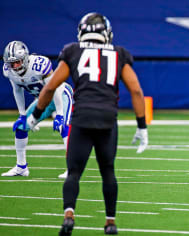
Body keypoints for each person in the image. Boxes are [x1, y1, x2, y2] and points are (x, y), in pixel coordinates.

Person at [26, 13, 149, 235]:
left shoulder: (73, 51)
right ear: (107, 33)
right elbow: (137, 91)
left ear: (82, 31)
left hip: (82, 118)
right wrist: (141, 125)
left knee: (74, 172)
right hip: (107, 120)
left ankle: (68, 216)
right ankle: (110, 222)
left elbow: (51, 87)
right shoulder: (119, 54)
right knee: (108, 172)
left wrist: (35, 114)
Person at [2, 40, 72, 179]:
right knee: (21, 127)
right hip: (42, 100)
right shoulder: (8, 71)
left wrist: (59, 115)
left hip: (61, 94)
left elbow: (55, 88)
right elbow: (17, 91)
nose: (15, 66)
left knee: (63, 126)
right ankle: (21, 167)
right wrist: (22, 115)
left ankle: (73, 169)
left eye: (18, 62)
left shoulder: (39, 65)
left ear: (26, 58)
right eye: (12, 63)